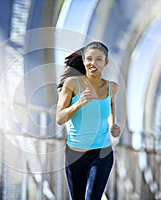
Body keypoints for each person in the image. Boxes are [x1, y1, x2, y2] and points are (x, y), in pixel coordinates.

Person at [56, 41, 121, 200]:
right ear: (84, 60)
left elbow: (110, 104)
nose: (93, 63)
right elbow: (59, 118)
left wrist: (112, 124)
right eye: (90, 58)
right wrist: (79, 103)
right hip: (75, 154)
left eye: (99, 59)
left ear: (106, 62)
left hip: (102, 153)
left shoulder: (112, 87)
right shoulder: (72, 84)